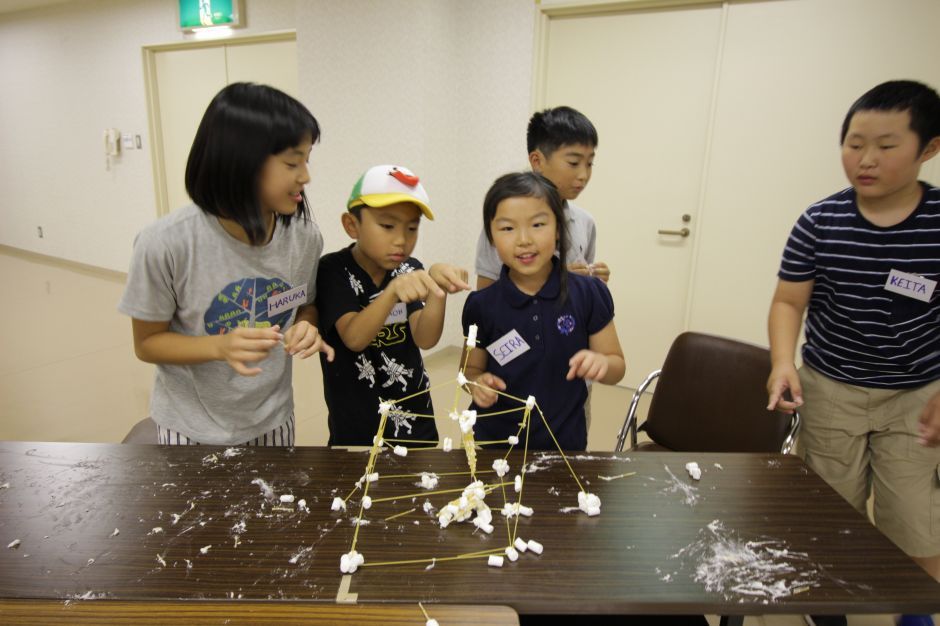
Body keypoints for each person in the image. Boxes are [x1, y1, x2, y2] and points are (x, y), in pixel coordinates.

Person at [766, 79, 940, 602]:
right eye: (854, 143)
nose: (865, 159)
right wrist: (782, 362)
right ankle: (828, 598)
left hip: (915, 396)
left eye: (886, 146)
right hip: (831, 387)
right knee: (829, 504)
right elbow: (788, 302)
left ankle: (916, 606)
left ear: (928, 149)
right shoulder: (820, 221)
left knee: (913, 514)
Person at [118, 82, 332, 446]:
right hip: (188, 426)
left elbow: (305, 305)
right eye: (293, 162)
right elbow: (148, 343)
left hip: (273, 419)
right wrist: (218, 347)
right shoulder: (165, 243)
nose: (306, 176)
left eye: (307, 160)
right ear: (241, 162)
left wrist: (307, 325)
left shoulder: (305, 238)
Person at [461, 172, 625, 451]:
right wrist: (477, 382)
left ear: (559, 230)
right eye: (507, 228)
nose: (524, 240)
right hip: (495, 445)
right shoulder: (481, 305)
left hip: (564, 444)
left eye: (538, 224)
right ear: (491, 236)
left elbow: (616, 365)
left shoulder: (588, 293)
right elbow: (469, 370)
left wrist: (602, 364)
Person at [315, 164, 469, 447]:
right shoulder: (332, 270)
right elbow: (354, 337)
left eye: (412, 228)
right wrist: (392, 292)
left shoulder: (409, 268)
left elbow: (425, 337)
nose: (401, 240)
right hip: (358, 426)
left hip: (415, 419)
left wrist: (438, 291)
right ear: (352, 225)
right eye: (387, 226)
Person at [474, 105, 609, 290]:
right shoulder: (505, 222)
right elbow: (485, 294)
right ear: (537, 161)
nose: (583, 174)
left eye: (590, 163)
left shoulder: (586, 222)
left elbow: (585, 297)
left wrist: (593, 281)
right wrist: (554, 280)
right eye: (574, 163)